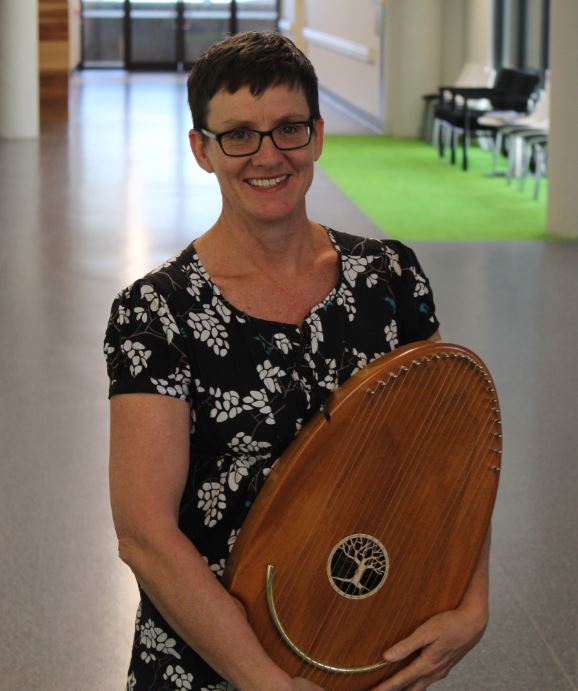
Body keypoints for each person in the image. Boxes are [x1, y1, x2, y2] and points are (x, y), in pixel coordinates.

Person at [104, 31, 490, 691]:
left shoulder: (389, 278)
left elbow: (446, 452)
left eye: (288, 129)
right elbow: (144, 535)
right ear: (202, 149)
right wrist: (266, 681)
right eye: (238, 135)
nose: (267, 155)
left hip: (360, 639)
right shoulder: (156, 314)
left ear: (316, 135)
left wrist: (471, 604)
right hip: (208, 665)